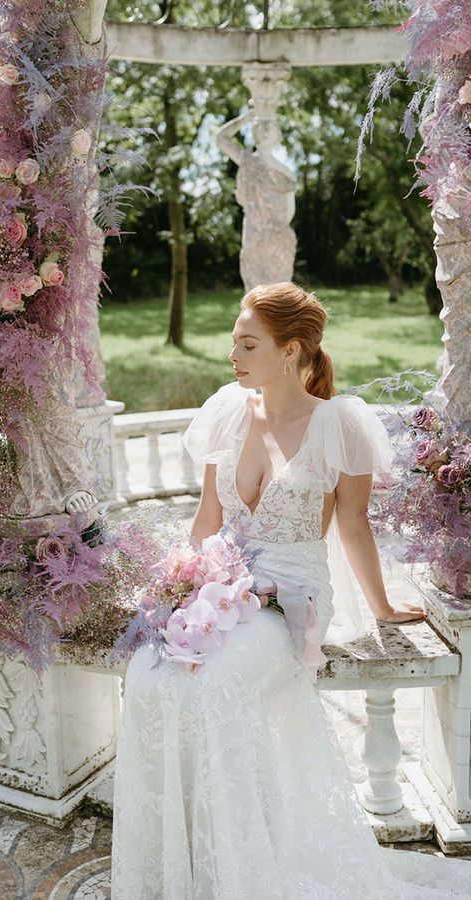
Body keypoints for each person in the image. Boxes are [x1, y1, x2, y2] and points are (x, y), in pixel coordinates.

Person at [110, 282, 471, 899]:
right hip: (220, 583)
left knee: (212, 688)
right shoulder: (228, 408)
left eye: (247, 343)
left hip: (293, 596)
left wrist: (382, 607)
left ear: (291, 350)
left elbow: (353, 526)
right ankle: (179, 867)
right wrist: (178, 588)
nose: (233, 355)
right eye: (233, 343)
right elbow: (207, 520)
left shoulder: (339, 424)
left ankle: (243, 869)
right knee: (148, 676)